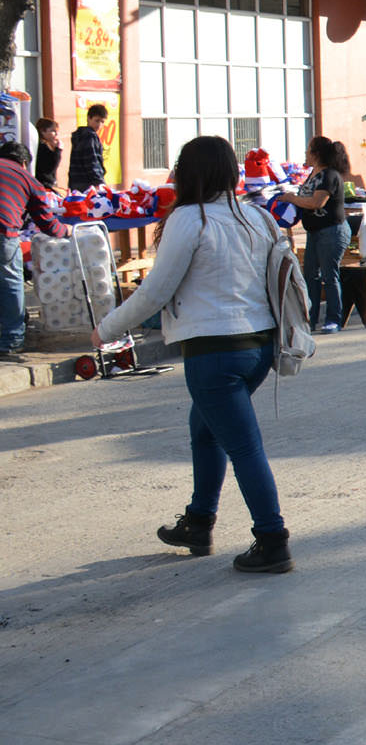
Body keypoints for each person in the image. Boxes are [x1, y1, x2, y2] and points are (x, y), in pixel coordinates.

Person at [93, 136, 295, 574]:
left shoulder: (190, 219)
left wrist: (106, 330)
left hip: (213, 353)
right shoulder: (257, 216)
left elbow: (156, 291)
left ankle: (272, 539)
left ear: (189, 173)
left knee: (242, 446)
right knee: (205, 430)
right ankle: (198, 521)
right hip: (258, 348)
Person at [0, 138, 68, 354]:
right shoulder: (28, 179)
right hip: (3, 233)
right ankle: (12, 339)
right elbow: (46, 222)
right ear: (23, 163)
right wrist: (65, 232)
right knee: (11, 283)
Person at [277, 136, 350, 334]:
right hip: (314, 232)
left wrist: (293, 198)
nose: (306, 155)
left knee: (329, 275)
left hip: (331, 231)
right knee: (310, 276)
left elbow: (317, 203)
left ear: (316, 154)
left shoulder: (329, 176)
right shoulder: (313, 174)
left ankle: (334, 319)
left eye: (308, 151)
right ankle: (310, 318)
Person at [69, 102, 109, 192]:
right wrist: (99, 182)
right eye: (97, 120)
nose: (99, 125)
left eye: (102, 122)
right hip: (89, 184)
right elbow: (92, 161)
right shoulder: (90, 136)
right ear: (88, 118)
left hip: (76, 182)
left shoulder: (79, 135)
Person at [33, 118, 61, 190]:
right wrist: (58, 150)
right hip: (44, 184)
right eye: (53, 131)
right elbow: (51, 167)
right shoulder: (42, 146)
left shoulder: (42, 144)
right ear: (43, 131)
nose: (56, 134)